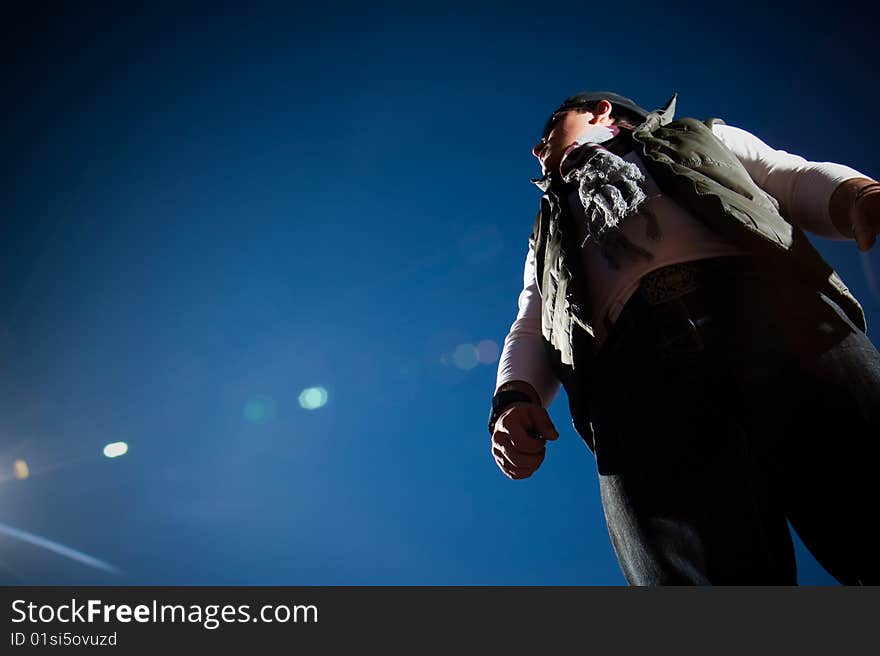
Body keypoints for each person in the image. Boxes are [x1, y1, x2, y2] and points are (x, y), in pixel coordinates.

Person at [488, 91, 880, 585]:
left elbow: (788, 175)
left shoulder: (698, 136)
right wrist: (513, 396)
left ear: (599, 112)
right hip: (634, 382)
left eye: (549, 129)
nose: (537, 148)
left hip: (779, 320)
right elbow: (533, 317)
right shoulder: (547, 225)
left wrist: (859, 195)